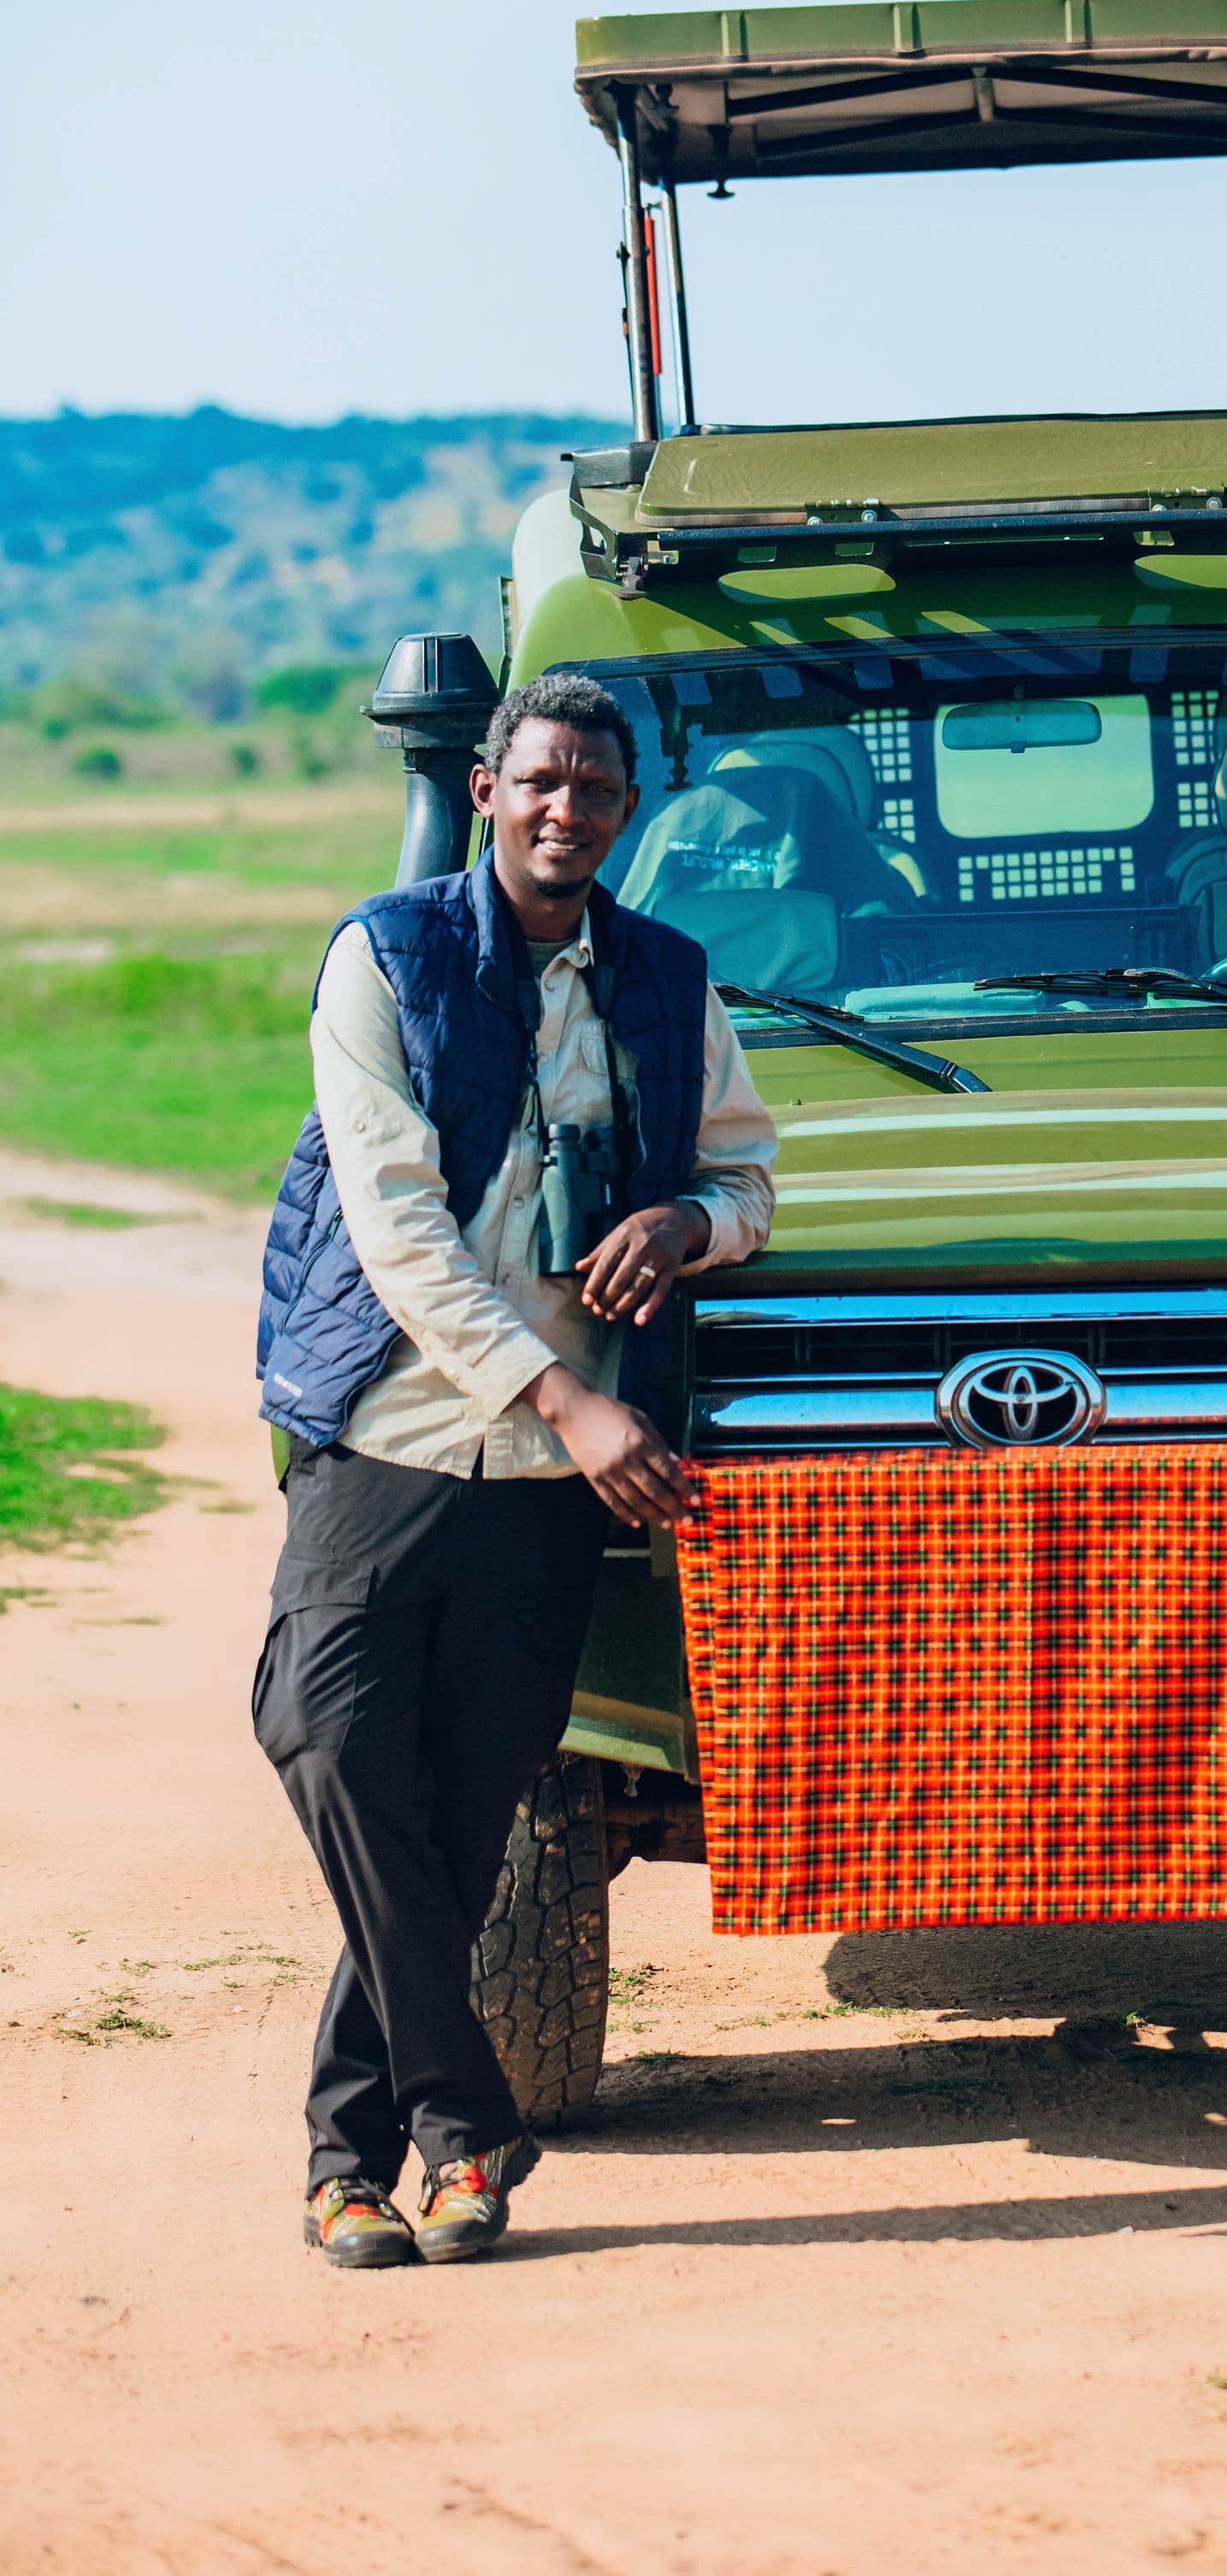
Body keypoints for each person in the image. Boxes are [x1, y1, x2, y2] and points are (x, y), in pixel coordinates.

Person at [251, 673, 775, 2269]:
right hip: (390, 1433)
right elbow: (397, 1227)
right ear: (485, 789)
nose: (567, 809)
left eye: (595, 789)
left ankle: (357, 2170)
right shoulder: (386, 956)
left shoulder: (669, 976)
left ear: (626, 811)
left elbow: (753, 1181)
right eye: (540, 779)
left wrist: (686, 1222)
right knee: (324, 1738)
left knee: (464, 1823)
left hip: (553, 1489)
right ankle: (468, 2118)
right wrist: (566, 1398)